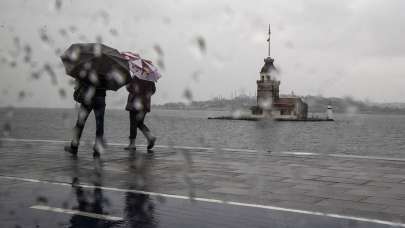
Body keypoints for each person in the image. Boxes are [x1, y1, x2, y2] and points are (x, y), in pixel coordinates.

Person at [64, 80, 106, 157]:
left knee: (80, 123)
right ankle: (97, 150)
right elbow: (109, 83)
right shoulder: (107, 69)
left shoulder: (89, 68)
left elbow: (83, 78)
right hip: (100, 97)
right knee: (99, 125)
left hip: (88, 96)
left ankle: (74, 147)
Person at [124, 76, 156, 151]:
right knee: (139, 123)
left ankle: (132, 144)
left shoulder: (136, 77)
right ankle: (150, 137)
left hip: (135, 103)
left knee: (133, 123)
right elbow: (153, 90)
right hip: (145, 104)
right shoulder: (150, 78)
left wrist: (128, 83)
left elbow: (130, 88)